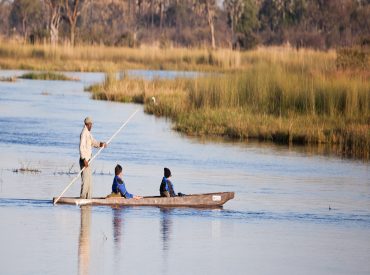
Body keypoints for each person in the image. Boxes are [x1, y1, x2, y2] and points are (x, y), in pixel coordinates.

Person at [79, 117, 107, 199]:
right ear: (87, 124)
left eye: (91, 124)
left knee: (90, 183)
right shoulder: (84, 133)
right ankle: (82, 199)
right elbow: (81, 148)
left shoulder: (88, 133)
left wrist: (101, 144)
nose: (91, 126)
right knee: (85, 182)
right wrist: (84, 160)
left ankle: (88, 199)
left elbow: (93, 142)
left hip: (88, 161)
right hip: (84, 161)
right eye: (90, 124)